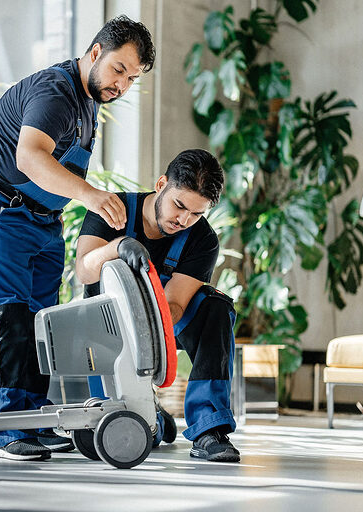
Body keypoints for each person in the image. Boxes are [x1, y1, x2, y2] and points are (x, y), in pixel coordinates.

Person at [0, 15, 156, 461]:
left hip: (40, 220)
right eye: (119, 70)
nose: (122, 84)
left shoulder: (89, 102)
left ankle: (31, 419)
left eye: (132, 78)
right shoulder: (56, 91)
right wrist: (91, 196)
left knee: (39, 318)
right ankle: (8, 432)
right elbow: (29, 157)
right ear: (96, 52)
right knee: (3, 316)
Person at [76, 148, 240, 462]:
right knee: (126, 433)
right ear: (161, 183)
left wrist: (148, 338)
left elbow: (177, 303)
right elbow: (84, 270)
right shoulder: (113, 209)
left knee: (216, 308)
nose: (183, 220)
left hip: (163, 320)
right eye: (179, 205)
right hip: (106, 320)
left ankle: (208, 429)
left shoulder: (202, 239)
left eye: (196, 213)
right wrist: (118, 246)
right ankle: (152, 417)